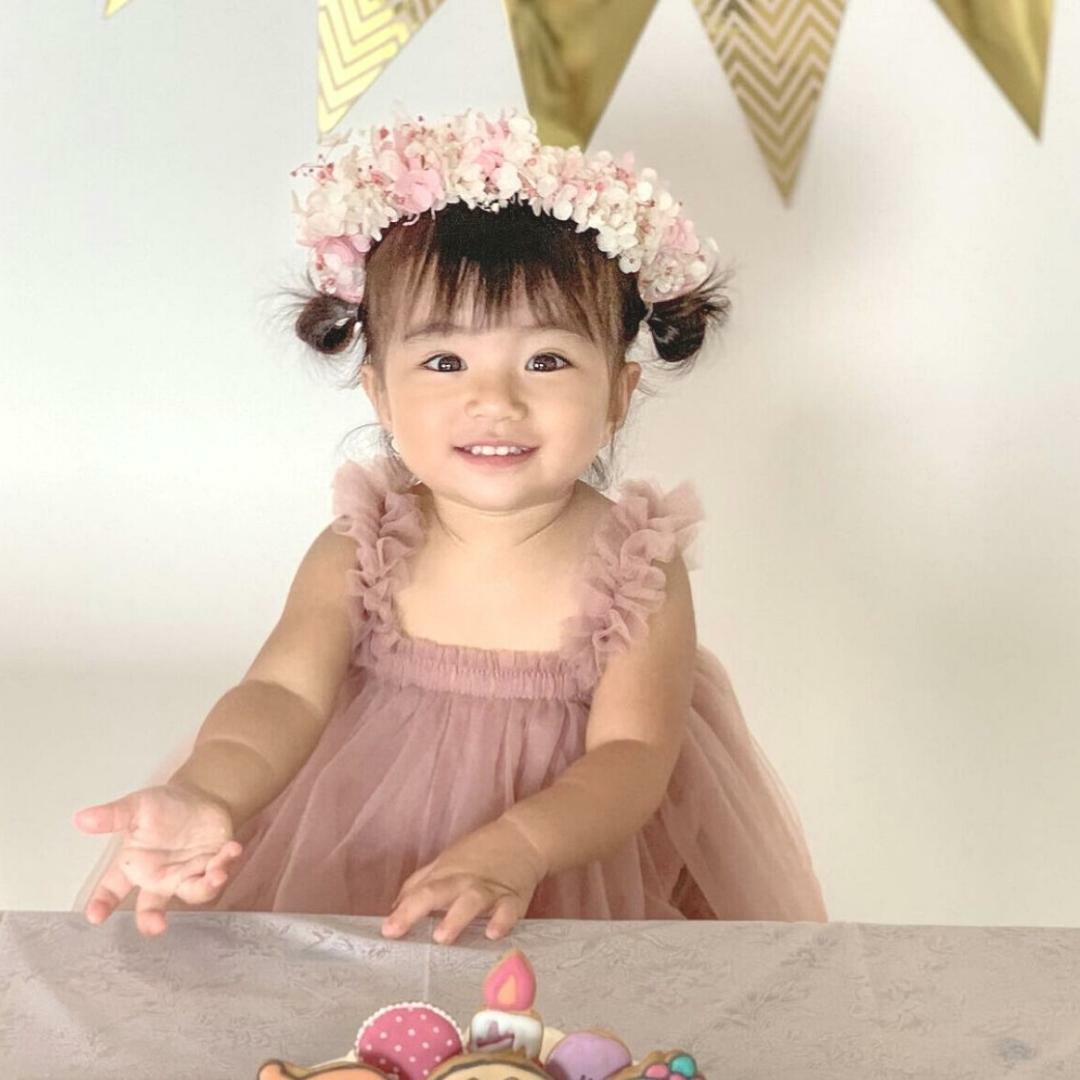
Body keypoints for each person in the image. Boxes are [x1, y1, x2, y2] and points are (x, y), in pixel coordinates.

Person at [72, 106, 828, 943]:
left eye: (545, 360)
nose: (494, 399)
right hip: (356, 855)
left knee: (541, 1021)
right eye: (443, 361)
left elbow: (633, 758)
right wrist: (208, 790)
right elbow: (281, 693)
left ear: (618, 393)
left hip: (564, 870)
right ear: (379, 393)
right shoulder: (360, 550)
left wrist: (520, 845)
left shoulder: (633, 567)